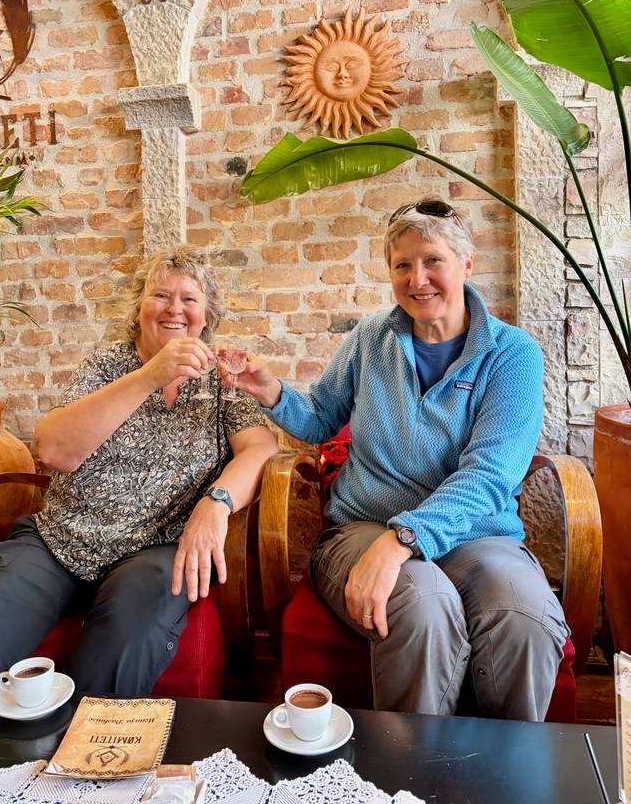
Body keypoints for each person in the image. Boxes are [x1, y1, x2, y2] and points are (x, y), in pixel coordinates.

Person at [228, 198, 569, 721]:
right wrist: (270, 390)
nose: (418, 279)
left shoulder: (512, 353)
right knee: (422, 604)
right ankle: (414, 777)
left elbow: (492, 472)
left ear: (466, 264)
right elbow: (320, 418)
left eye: (432, 260)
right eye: (402, 265)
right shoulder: (371, 338)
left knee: (522, 614)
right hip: (362, 525)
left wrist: (403, 539)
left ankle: (505, 774)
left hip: (476, 534)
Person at [0, 245, 277, 696]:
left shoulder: (219, 379)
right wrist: (151, 374)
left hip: (154, 550)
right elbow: (54, 450)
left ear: (206, 314)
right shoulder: (106, 366)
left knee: (128, 632)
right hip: (58, 542)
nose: (175, 308)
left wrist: (216, 503)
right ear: (140, 308)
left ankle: (83, 759)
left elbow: (260, 445)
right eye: (160, 296)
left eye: (189, 299)